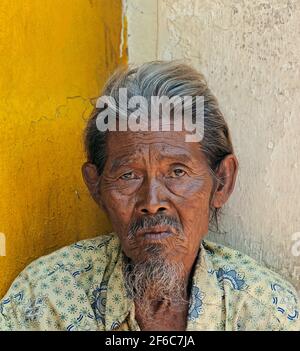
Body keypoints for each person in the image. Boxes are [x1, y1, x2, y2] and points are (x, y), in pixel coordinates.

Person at [0, 61, 299, 331]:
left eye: (177, 172)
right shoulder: (44, 302)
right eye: (128, 175)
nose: (152, 202)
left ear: (221, 182)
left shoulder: (264, 313)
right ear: (96, 187)